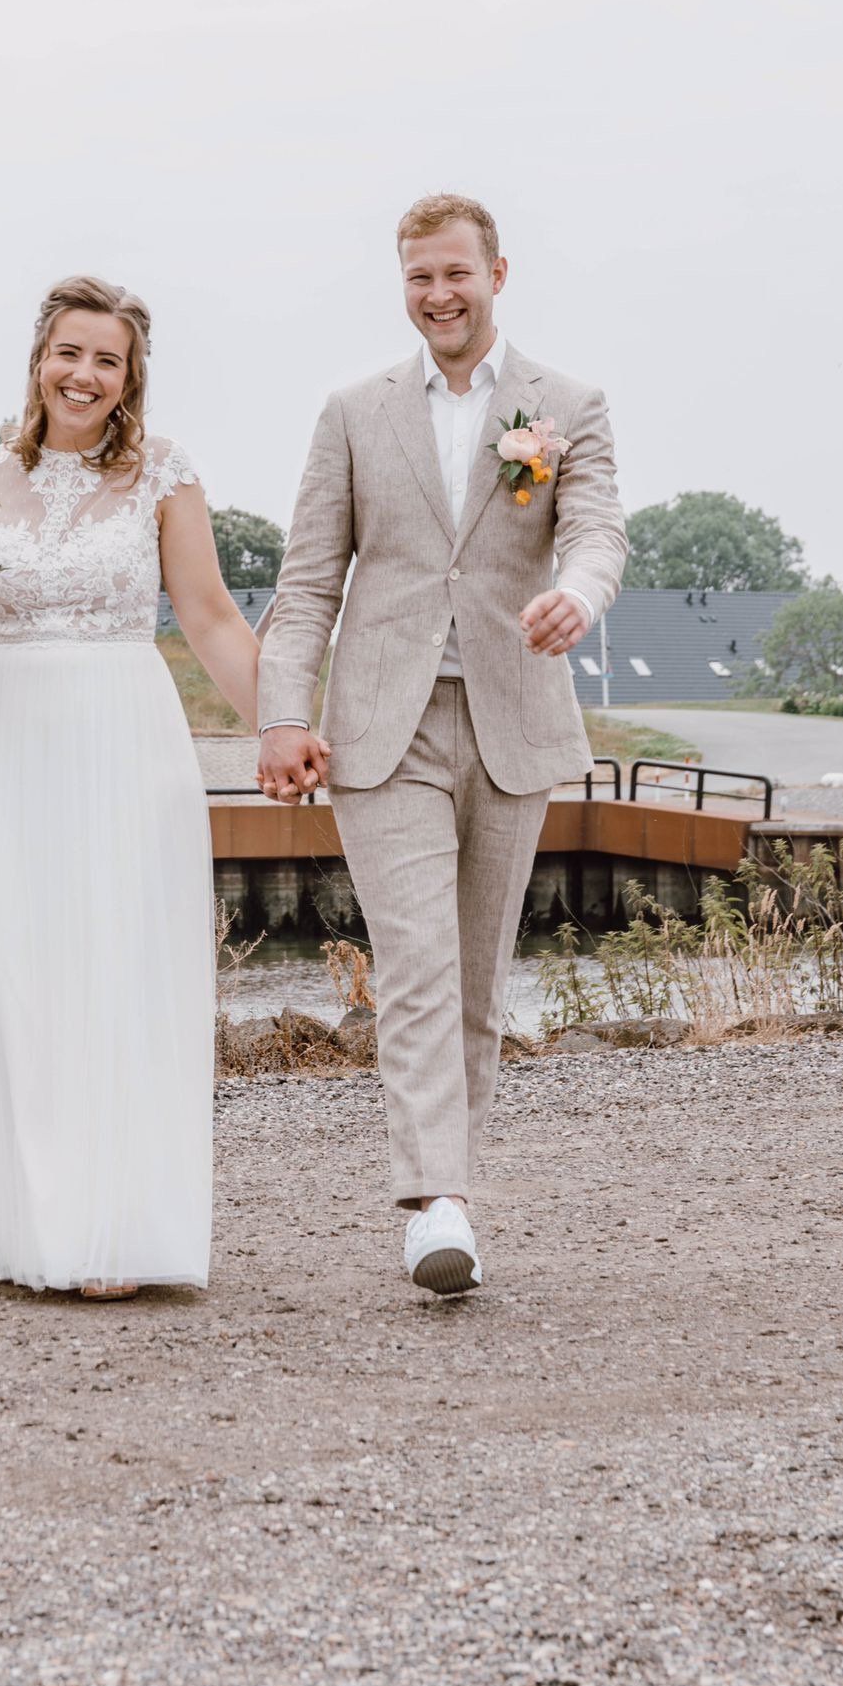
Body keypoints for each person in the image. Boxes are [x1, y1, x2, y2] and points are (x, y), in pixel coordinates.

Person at [255, 193, 627, 1296]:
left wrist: (577, 594)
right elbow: (307, 582)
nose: (438, 294)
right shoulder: (352, 412)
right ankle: (435, 1206)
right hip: (385, 729)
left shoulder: (567, 405)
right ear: (403, 283)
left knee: (475, 979)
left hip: (513, 719)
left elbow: (597, 531)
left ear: (496, 275)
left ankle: (449, 1186)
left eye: (456, 273)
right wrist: (284, 713)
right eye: (419, 276)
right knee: (416, 964)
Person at [0, 275, 262, 1298]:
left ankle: (108, 1228)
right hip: (12, 741)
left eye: (107, 360)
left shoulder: (165, 474)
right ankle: (16, 1219)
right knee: (13, 963)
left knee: (115, 959)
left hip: (125, 734)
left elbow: (210, 616)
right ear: (40, 358)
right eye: (69, 353)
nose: (84, 374)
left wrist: (286, 723)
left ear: (130, 376)